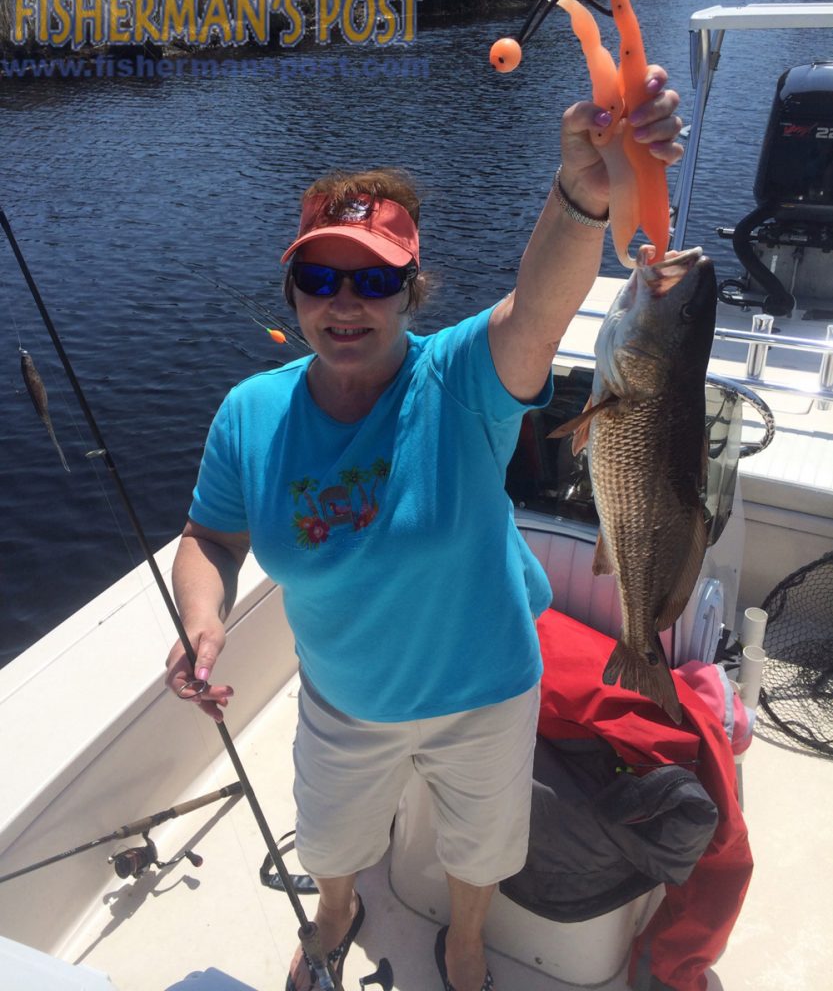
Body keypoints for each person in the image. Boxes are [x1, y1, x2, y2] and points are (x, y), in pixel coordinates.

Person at [165, 67, 683, 991]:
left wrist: (581, 194)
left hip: (484, 691)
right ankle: (336, 907)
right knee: (330, 835)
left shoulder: (458, 379)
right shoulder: (250, 413)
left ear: (411, 291)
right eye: (319, 277)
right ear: (293, 291)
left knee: (480, 846)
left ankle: (467, 937)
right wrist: (201, 617)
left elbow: (536, 307)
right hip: (343, 696)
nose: (345, 301)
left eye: (374, 279)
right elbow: (211, 536)